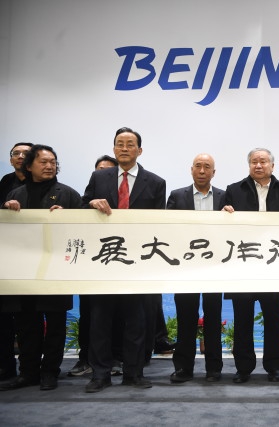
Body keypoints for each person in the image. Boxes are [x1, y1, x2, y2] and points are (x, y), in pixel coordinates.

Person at [81, 127, 166, 392]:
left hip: (137, 263)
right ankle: (100, 375)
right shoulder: (99, 177)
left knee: (136, 322)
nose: (124, 148)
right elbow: (81, 208)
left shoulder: (156, 182)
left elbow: (159, 223)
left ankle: (133, 372)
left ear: (139, 150)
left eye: (130, 144)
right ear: (114, 148)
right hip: (104, 259)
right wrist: (91, 204)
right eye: (120, 144)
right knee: (100, 321)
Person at [0, 144, 80, 391]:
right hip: (24, 271)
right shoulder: (16, 194)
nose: (49, 166)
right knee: (26, 324)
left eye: (53, 162)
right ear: (30, 165)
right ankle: (28, 372)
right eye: (43, 162)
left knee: (55, 323)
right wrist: (6, 210)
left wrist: (68, 217)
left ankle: (50, 372)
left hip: (56, 269)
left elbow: (83, 231)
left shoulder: (68, 194)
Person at [222, 148, 279, 383]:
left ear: (273, 165)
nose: (259, 165)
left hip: (273, 266)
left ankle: (274, 366)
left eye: (263, 161)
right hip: (243, 265)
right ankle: (243, 368)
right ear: (249, 165)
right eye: (254, 162)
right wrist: (224, 213)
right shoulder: (234, 190)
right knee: (242, 319)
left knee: (273, 318)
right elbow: (222, 226)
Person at [167, 153, 225, 383]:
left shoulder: (224, 196)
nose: (202, 171)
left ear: (214, 172)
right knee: (185, 317)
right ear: (191, 170)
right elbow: (167, 229)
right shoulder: (176, 196)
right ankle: (183, 368)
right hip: (186, 267)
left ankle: (214, 368)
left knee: (213, 317)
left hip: (214, 267)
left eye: (207, 167)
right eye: (198, 166)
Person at [68, 154, 124, 378]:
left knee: (118, 313)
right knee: (89, 313)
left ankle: (115, 358)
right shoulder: (90, 193)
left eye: (108, 170)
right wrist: (91, 204)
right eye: (100, 169)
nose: (104, 173)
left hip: (121, 259)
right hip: (93, 262)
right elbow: (78, 213)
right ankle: (86, 358)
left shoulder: (127, 191)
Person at [0, 142, 33, 383]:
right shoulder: (5, 184)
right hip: (8, 260)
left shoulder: (49, 187)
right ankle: (6, 367)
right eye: (16, 153)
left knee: (29, 320)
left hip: (35, 262)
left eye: (26, 154)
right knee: (4, 317)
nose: (20, 157)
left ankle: (30, 370)